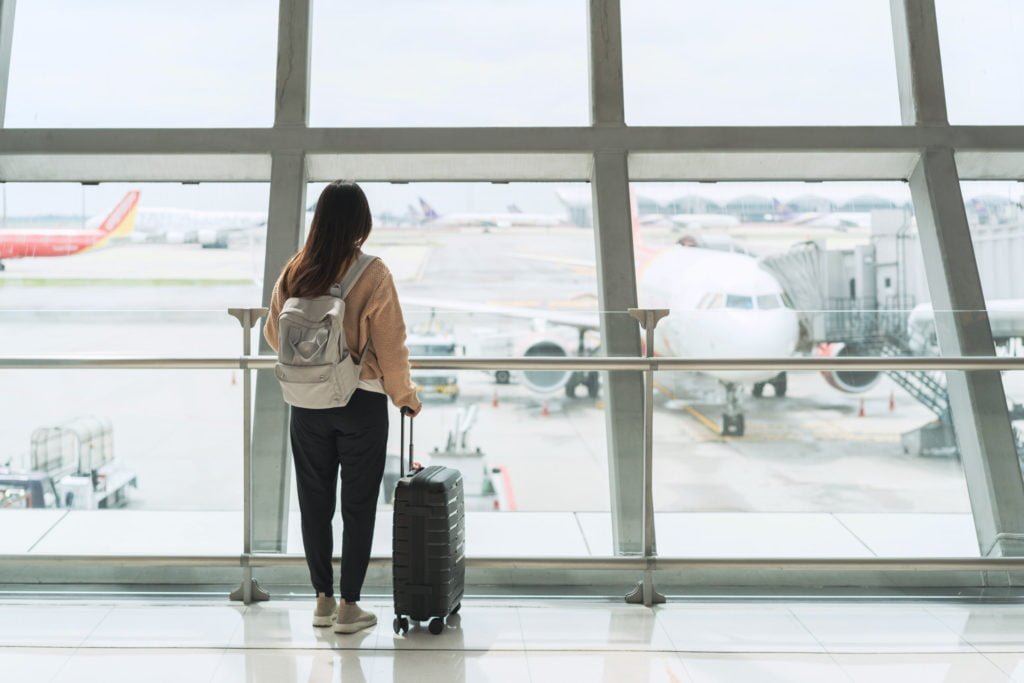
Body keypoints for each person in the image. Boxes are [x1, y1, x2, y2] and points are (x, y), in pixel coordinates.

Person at [264, 181, 422, 634]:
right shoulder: (373, 273)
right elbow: (392, 346)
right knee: (358, 506)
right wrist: (404, 396)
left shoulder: (295, 270)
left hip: (306, 404)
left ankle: (321, 600)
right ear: (361, 222)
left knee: (314, 505)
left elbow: (275, 335)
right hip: (361, 403)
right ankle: (350, 606)